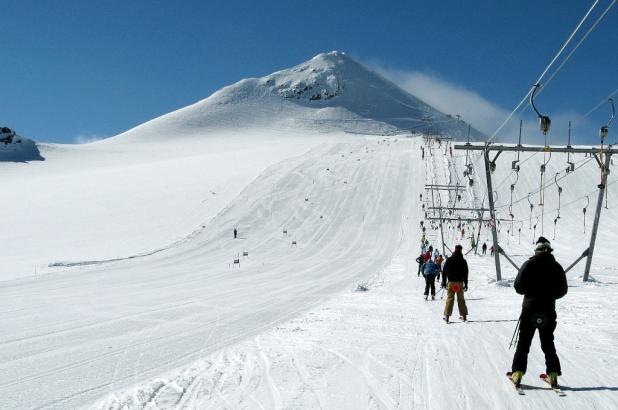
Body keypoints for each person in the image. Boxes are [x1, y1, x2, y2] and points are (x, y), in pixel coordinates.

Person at [509, 237, 567, 388]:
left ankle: (517, 374)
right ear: (549, 250)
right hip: (548, 310)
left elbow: (518, 286)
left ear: (537, 250)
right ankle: (553, 375)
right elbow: (563, 290)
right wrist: (551, 296)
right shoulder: (557, 267)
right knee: (548, 343)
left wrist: (530, 293)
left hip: (530, 309)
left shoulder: (529, 264)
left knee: (524, 342)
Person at [441, 245, 469, 323]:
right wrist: (466, 284)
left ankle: (447, 318)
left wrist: (443, 282)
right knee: (461, 299)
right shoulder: (463, 261)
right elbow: (466, 273)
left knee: (450, 299)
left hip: (451, 283)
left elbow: (444, 272)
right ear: (461, 250)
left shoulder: (449, 260)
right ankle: (464, 317)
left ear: (454, 250)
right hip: (460, 283)